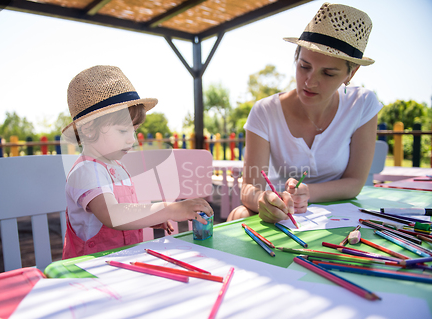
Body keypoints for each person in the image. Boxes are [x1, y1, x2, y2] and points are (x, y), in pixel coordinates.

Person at [227, 3, 382, 224]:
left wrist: (308, 193)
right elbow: (249, 189)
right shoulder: (265, 111)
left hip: (339, 220)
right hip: (282, 215)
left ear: (351, 73)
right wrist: (264, 198)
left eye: (328, 73)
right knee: (239, 215)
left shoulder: (362, 104)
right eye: (304, 66)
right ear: (296, 57)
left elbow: (355, 182)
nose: (310, 81)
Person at [61, 65, 213, 259]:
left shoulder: (117, 167)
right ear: (89, 129)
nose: (131, 139)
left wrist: (150, 218)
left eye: (134, 131)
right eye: (123, 131)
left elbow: (126, 213)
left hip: (124, 263)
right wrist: (170, 209)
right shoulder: (86, 170)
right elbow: (113, 214)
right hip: (90, 271)